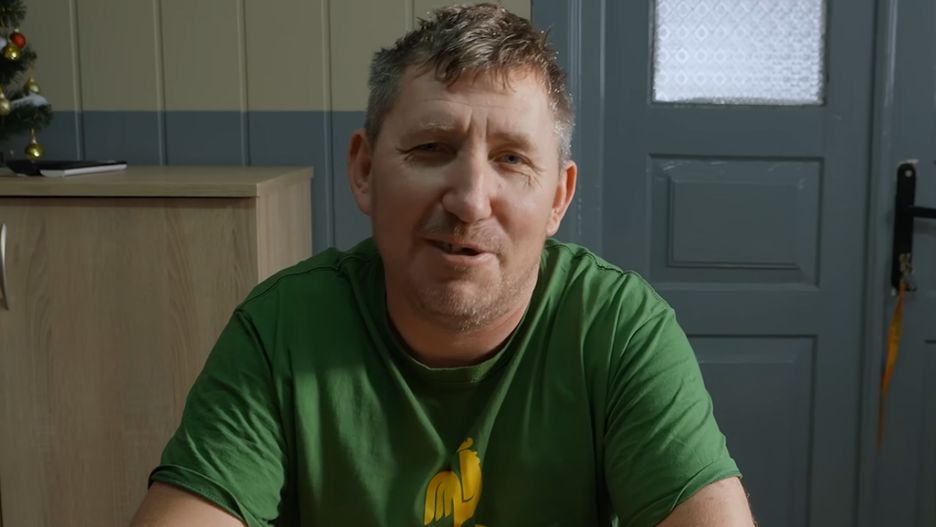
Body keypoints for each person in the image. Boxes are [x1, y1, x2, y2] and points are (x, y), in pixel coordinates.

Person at [131, 4, 754, 526]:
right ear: (365, 170)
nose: (470, 200)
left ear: (558, 199)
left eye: (512, 159)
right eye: (432, 148)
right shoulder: (282, 329)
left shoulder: (618, 328)